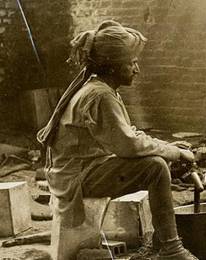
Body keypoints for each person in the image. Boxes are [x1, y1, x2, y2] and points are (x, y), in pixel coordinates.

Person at [37, 20, 197, 260]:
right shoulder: (100, 95)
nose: (137, 69)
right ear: (112, 68)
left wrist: (170, 148)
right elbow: (129, 145)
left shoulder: (100, 88)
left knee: (159, 160)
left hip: (85, 168)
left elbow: (128, 135)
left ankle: (159, 243)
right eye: (131, 63)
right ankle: (171, 249)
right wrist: (172, 152)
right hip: (77, 177)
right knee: (154, 166)